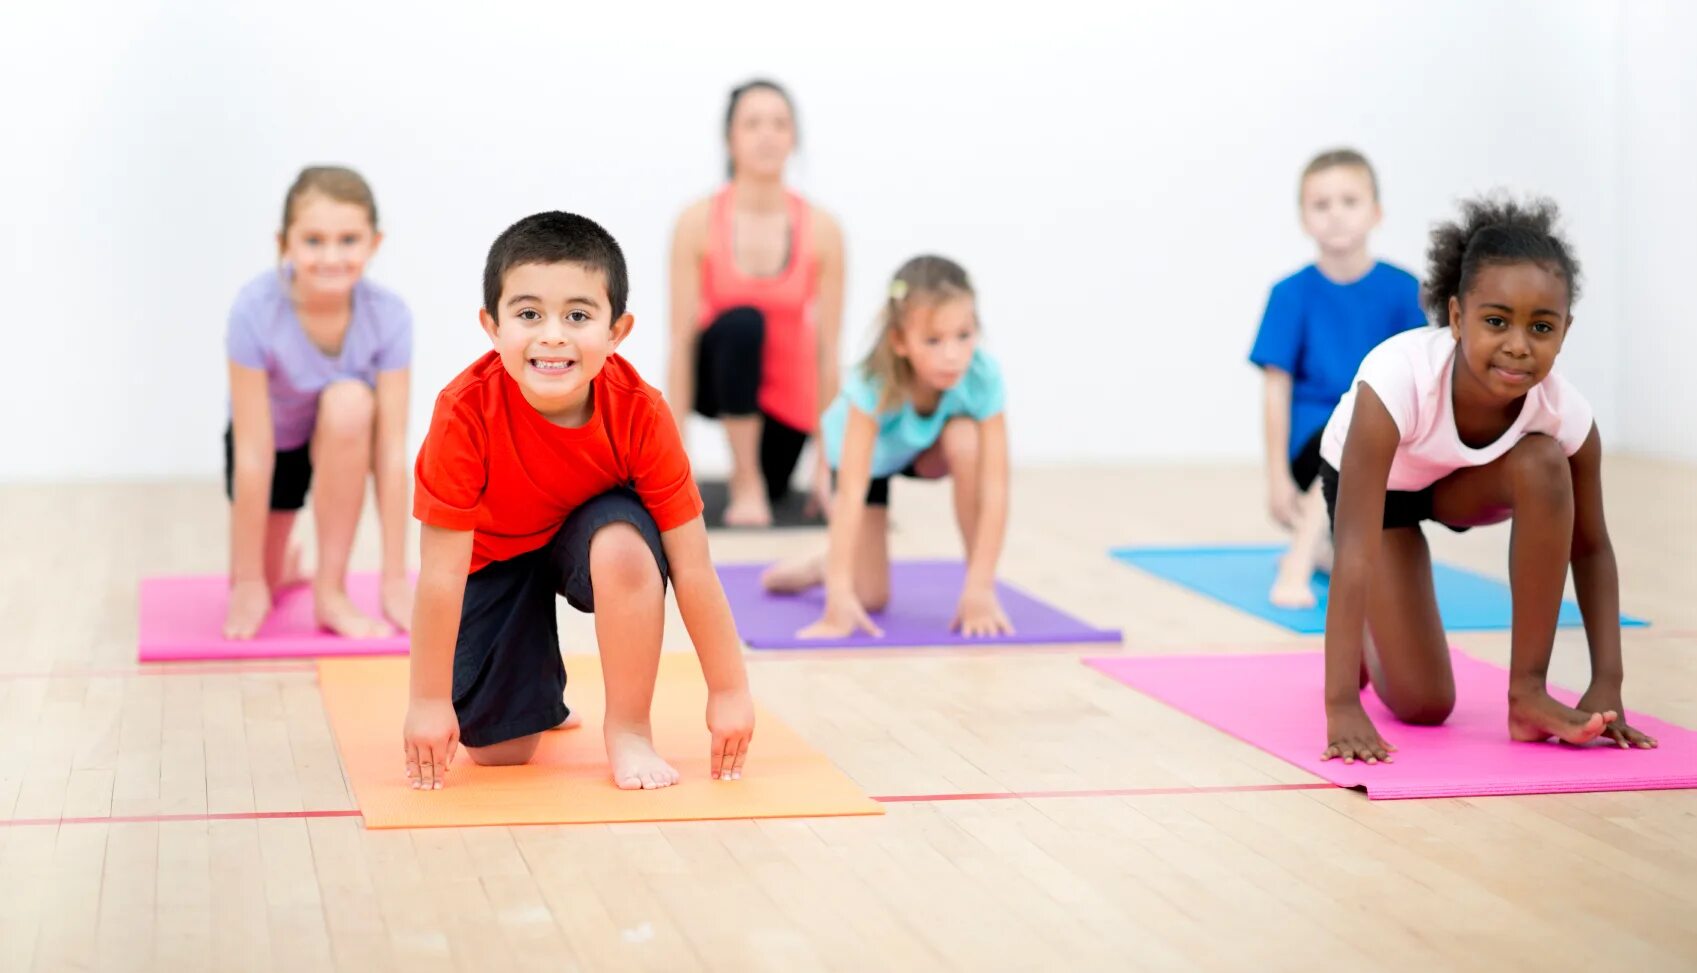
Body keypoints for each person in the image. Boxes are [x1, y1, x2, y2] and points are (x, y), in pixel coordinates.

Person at [402, 211, 755, 791]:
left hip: (589, 538)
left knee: (623, 546)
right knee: (499, 753)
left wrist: (729, 690)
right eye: (529, 314)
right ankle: (540, 694)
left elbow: (693, 566)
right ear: (492, 326)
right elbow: (441, 576)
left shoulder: (641, 411)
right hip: (497, 559)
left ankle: (629, 729)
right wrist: (427, 702)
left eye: (578, 316)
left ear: (617, 331)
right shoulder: (462, 412)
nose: (553, 335)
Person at [1318, 195, 1658, 764]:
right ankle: (1372, 638)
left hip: (1458, 484)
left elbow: (1592, 548)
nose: (1518, 345)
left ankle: (1528, 696)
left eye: (1541, 327)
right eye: (1496, 321)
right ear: (1456, 318)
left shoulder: (1566, 414)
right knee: (1425, 703)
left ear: (1564, 332)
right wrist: (1341, 705)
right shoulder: (1395, 378)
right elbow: (1353, 552)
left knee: (1544, 463)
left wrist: (1608, 683)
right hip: (1383, 498)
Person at [763, 256, 1012, 638]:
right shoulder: (872, 384)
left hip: (924, 452)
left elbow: (996, 488)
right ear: (899, 341)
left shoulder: (981, 375)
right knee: (871, 596)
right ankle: (821, 564)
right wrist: (838, 594)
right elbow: (851, 492)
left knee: (965, 437)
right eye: (933, 340)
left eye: (963, 335)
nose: (952, 354)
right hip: (869, 465)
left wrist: (981, 586)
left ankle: (974, 579)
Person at [223, 165, 413, 640]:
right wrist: (248, 581)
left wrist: (395, 578)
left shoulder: (389, 317)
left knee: (350, 402)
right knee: (261, 584)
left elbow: (391, 453)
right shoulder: (254, 310)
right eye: (313, 241)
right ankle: (280, 566)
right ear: (284, 243)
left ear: (374, 243)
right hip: (276, 446)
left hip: (343, 442)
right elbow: (252, 453)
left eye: (348, 240)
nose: (331, 257)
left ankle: (330, 593)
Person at [1248, 149, 1426, 608]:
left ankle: (1325, 548)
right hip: (1314, 441)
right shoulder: (1289, 294)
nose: (1336, 215)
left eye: (1349, 201)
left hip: (1384, 434)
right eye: (1321, 205)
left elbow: (1420, 378)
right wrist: (1276, 478)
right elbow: (1275, 389)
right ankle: (1297, 562)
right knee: (1346, 444)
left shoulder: (1404, 290)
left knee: (1363, 439)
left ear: (1376, 212)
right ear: (1303, 218)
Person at [668, 79, 846, 526]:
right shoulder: (697, 222)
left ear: (794, 137)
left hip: (787, 397)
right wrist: (674, 459)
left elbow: (828, 352)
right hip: (718, 379)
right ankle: (744, 481)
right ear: (730, 138)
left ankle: (760, 477)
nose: (767, 135)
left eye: (779, 124)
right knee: (742, 324)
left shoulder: (823, 229)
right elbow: (681, 342)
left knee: (779, 486)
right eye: (752, 124)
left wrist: (828, 465)